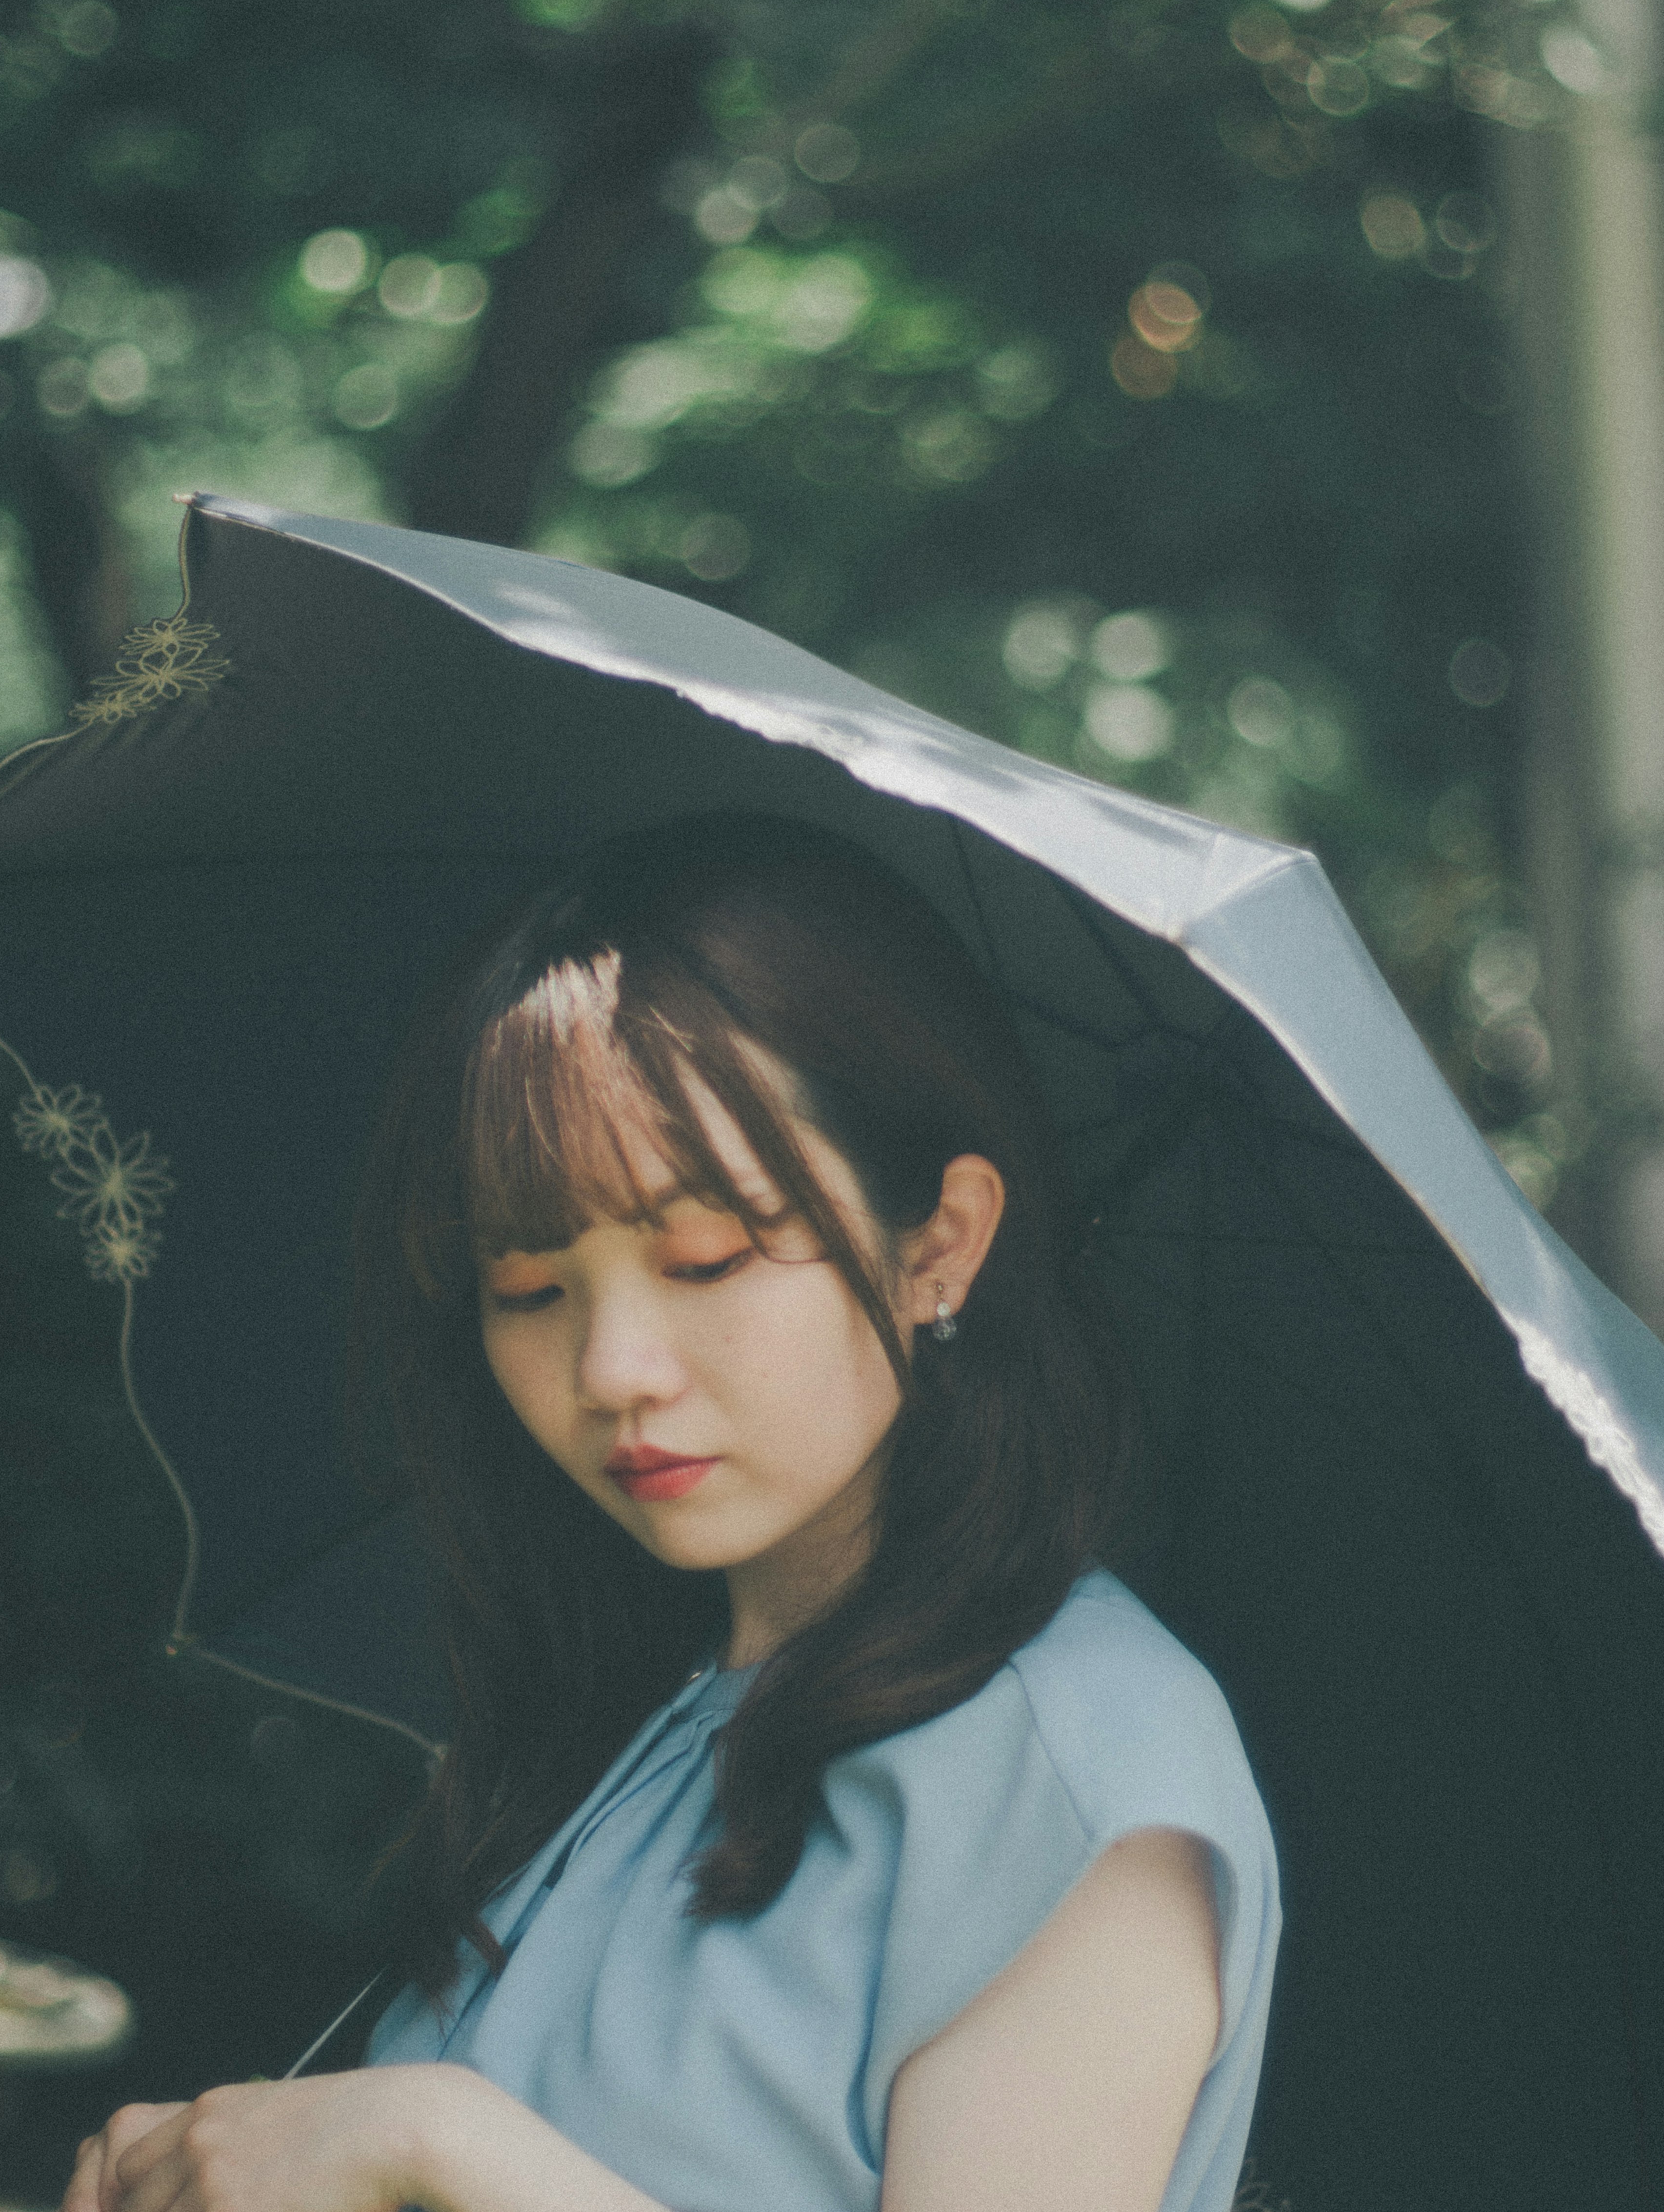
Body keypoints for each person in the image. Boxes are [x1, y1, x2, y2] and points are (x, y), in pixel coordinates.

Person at [63, 815, 1280, 2212]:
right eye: (528, 1288)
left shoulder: (1074, 1773)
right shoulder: (644, 1708)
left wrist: (442, 2144)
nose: (608, 1372)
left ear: (938, 1243)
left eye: (707, 1257)